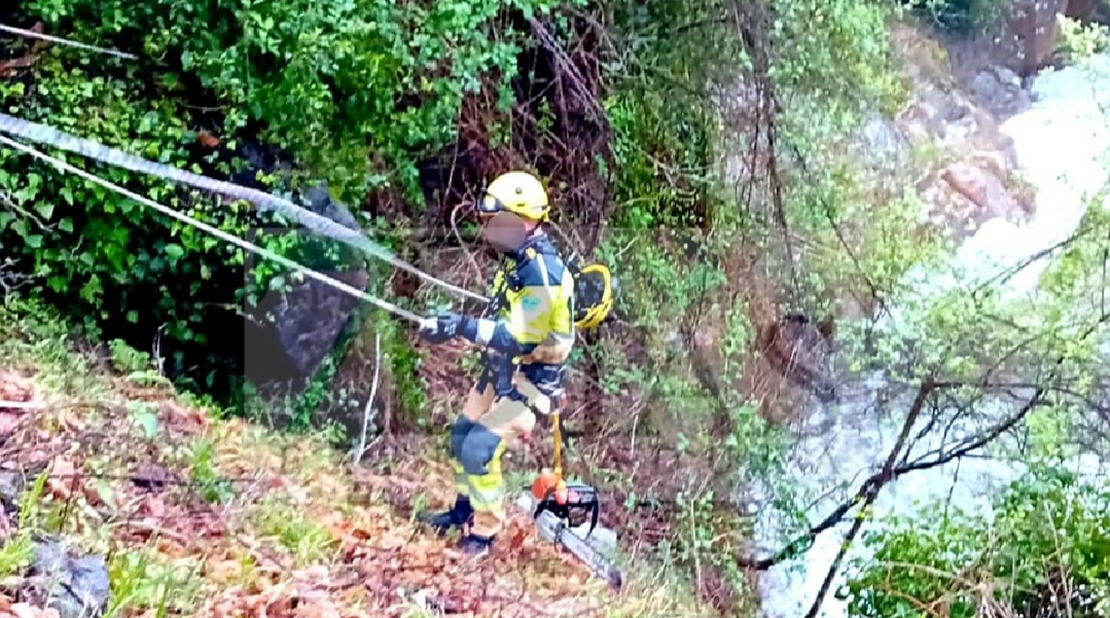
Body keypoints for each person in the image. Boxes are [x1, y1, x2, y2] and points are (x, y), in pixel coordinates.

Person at [416, 170, 576, 556]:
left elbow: (522, 337)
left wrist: (461, 326)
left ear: (524, 220)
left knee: (479, 449)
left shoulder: (541, 273)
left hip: (532, 382)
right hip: (501, 372)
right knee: (461, 437)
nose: (492, 229)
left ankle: (484, 534)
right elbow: (501, 314)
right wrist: (451, 322)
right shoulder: (518, 258)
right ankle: (463, 511)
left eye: (498, 221)